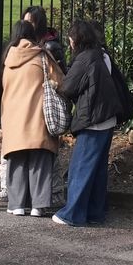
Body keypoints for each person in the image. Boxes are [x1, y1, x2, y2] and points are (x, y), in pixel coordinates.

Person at [54, 19, 124, 227]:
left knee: (81, 167)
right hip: (107, 118)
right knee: (98, 168)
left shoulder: (85, 58)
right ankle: (95, 211)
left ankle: (72, 213)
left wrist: (53, 84)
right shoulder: (102, 55)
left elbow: (68, 87)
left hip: (93, 119)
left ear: (76, 38)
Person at [0, 20, 63, 217]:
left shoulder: (8, 58)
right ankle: (38, 205)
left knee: (16, 159)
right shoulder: (42, 55)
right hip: (38, 116)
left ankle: (16, 204)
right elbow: (60, 81)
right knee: (40, 159)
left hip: (13, 116)